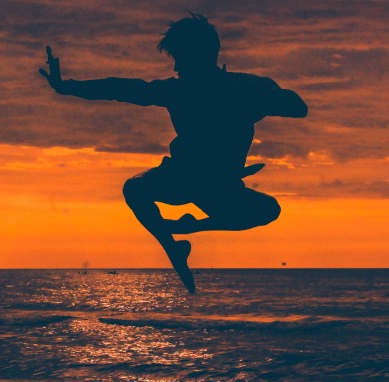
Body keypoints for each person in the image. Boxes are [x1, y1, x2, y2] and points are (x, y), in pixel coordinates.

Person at [39, 13, 307, 293]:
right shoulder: (179, 90)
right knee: (134, 188)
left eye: (181, 58)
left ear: (201, 56)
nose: (177, 67)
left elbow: (297, 107)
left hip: (218, 187)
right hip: (181, 177)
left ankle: (192, 228)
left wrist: (261, 95)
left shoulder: (240, 87)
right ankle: (173, 246)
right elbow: (121, 89)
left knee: (269, 209)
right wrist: (68, 86)